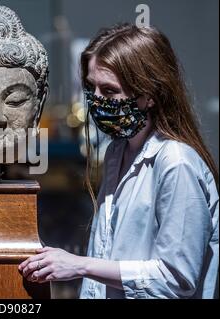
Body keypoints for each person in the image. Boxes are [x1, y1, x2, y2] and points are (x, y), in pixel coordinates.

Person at [19, 23, 219, 299]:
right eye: (91, 87)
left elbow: (175, 278)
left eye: (109, 91)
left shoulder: (176, 162)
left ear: (148, 94)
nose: (96, 100)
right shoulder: (118, 152)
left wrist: (79, 265)